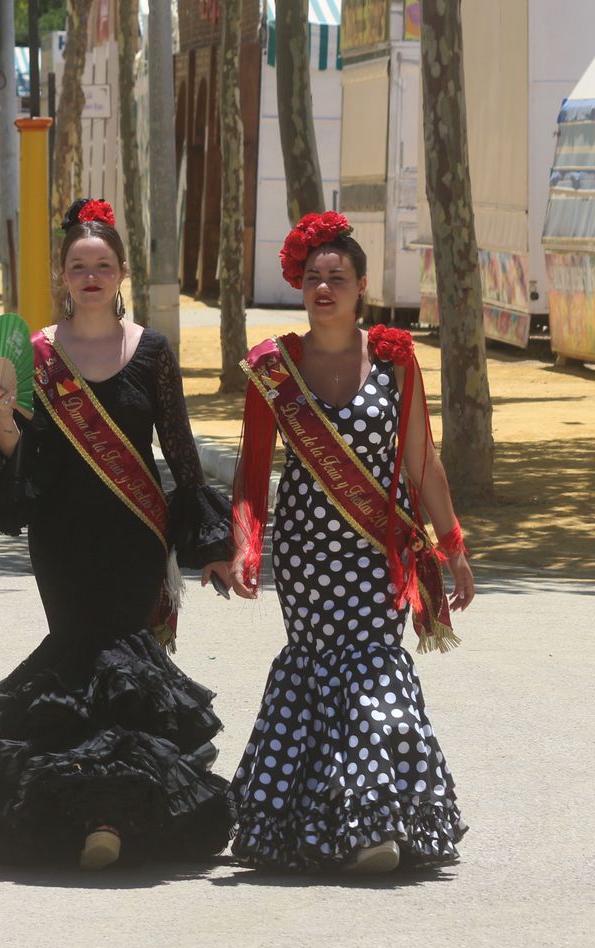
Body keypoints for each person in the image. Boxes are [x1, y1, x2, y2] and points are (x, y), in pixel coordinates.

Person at [0, 198, 236, 870]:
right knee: (77, 656)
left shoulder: (153, 352)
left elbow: (182, 452)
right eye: (79, 266)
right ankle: (85, 810)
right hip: (61, 538)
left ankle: (110, 812)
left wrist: (212, 546)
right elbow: (20, 455)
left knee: (126, 665)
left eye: (103, 265)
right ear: (62, 275)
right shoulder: (38, 355)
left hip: (136, 534)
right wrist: (4, 417)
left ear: (122, 273)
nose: (91, 277)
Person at [226, 211, 473, 874]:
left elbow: (422, 461)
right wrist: (246, 546)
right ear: (299, 287)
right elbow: (253, 471)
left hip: (376, 550)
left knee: (371, 669)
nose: (324, 287)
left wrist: (450, 544)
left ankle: (374, 826)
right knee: (315, 669)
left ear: (363, 286)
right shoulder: (275, 367)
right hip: (306, 553)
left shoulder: (394, 359)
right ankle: (313, 821)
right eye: (313, 277)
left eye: (338, 276)